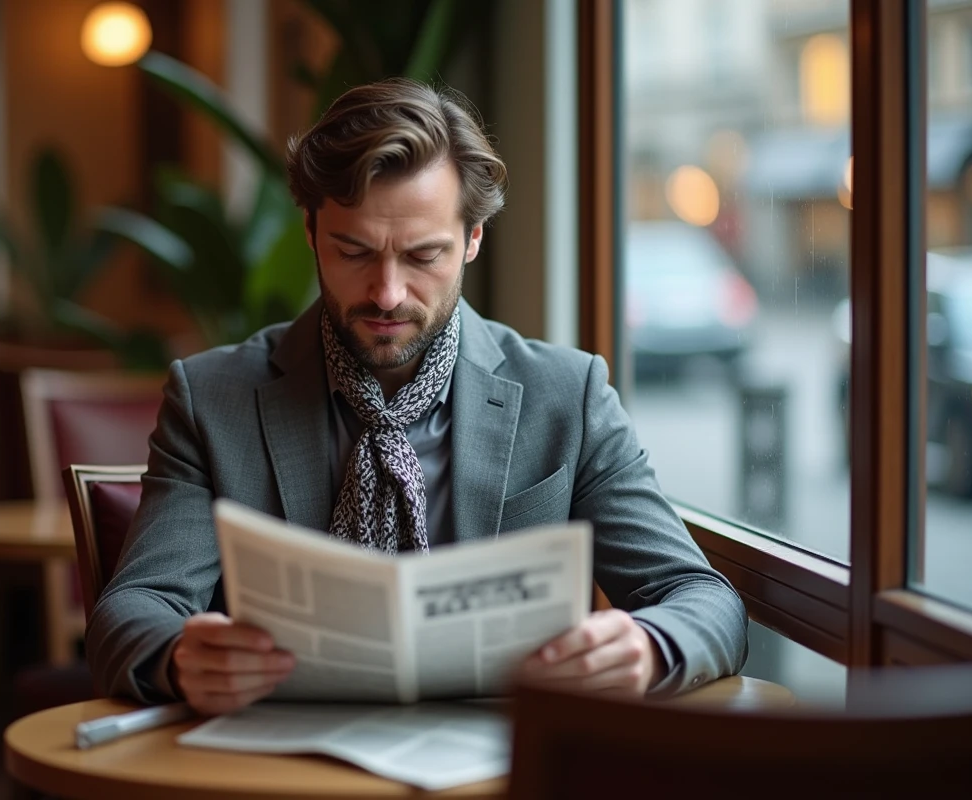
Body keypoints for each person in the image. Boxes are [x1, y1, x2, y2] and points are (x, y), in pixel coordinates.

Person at [87, 78, 748, 715]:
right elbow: (131, 612)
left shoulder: (566, 397)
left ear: (472, 240)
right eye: (354, 251)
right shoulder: (213, 399)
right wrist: (179, 656)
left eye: (423, 256)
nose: (387, 293)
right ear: (313, 234)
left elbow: (703, 600)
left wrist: (646, 647)